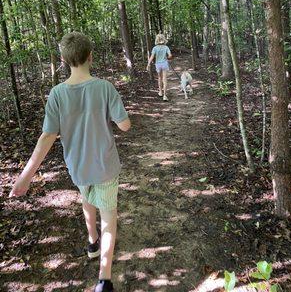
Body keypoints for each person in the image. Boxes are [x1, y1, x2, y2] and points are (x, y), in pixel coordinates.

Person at [9, 32, 131, 292]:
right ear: (91, 56)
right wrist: (116, 116)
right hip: (106, 165)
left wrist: (25, 176)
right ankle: (104, 280)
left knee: (87, 200)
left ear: (63, 60)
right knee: (108, 217)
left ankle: (92, 243)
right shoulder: (105, 87)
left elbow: (47, 136)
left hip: (77, 166)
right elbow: (125, 126)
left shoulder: (56, 94)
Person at [147, 33, 172, 101]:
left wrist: (148, 64)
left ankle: (160, 92)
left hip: (158, 64)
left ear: (157, 40)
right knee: (164, 79)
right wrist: (167, 57)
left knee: (159, 78)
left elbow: (152, 57)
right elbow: (170, 55)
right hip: (164, 64)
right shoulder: (166, 47)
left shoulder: (155, 48)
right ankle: (165, 95)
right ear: (163, 39)